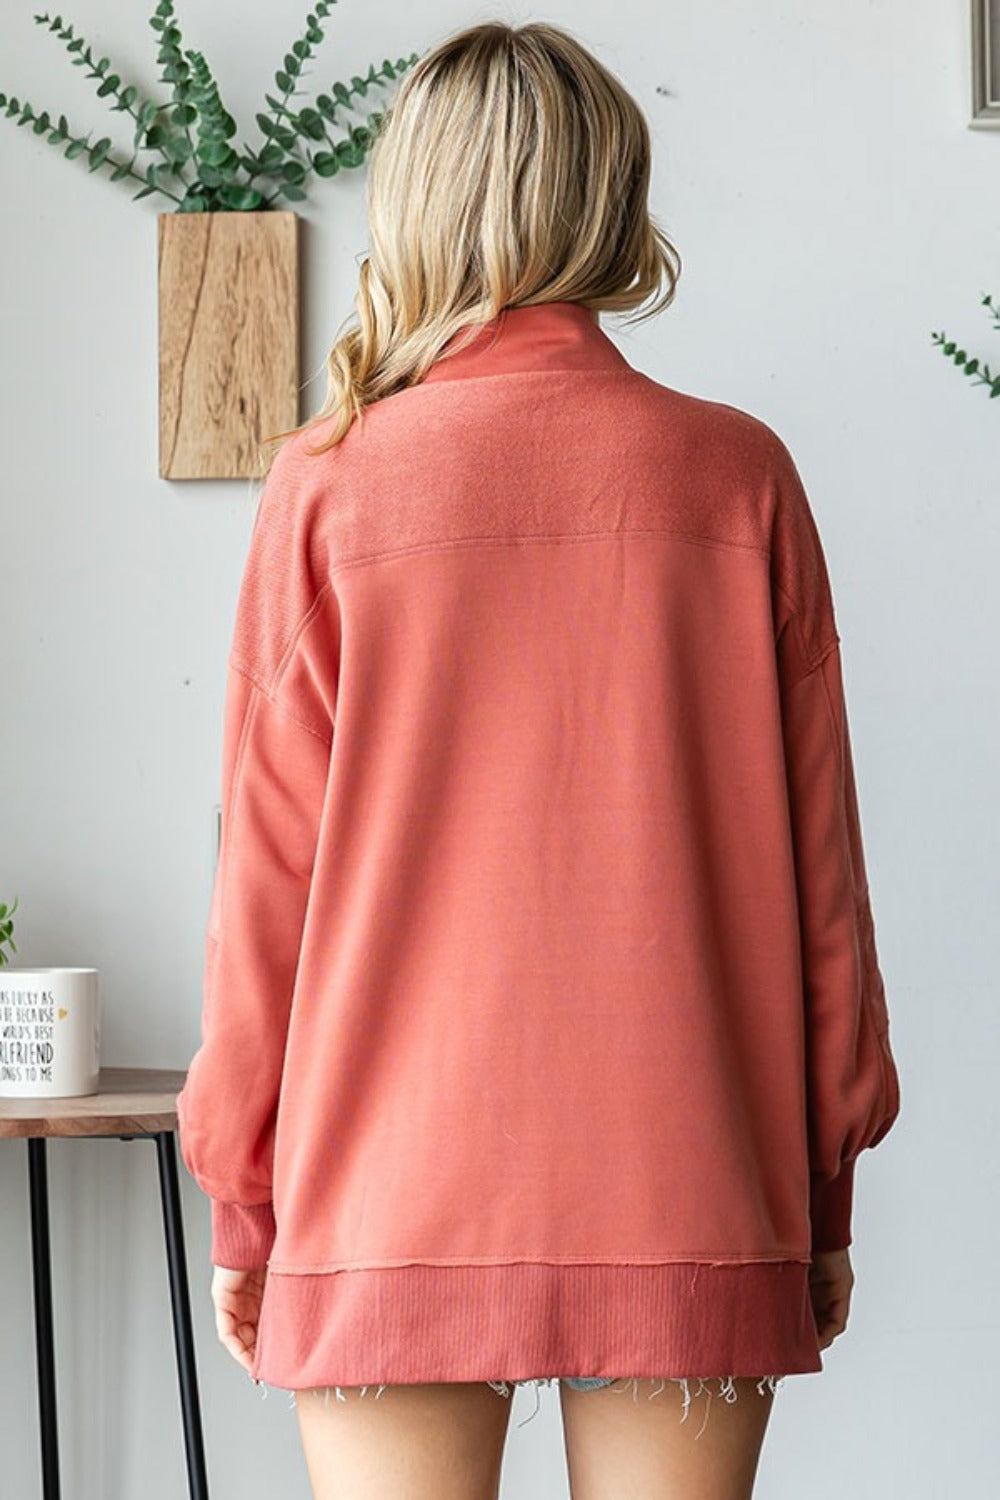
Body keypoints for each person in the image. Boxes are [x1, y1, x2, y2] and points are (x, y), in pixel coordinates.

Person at [176, 18, 902, 1500]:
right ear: (615, 203)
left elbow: (264, 902)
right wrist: (821, 1190)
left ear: (412, 205)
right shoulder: (739, 476)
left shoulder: (325, 487)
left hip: (385, 1186)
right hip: (691, 1170)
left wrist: (247, 1206)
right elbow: (821, 888)